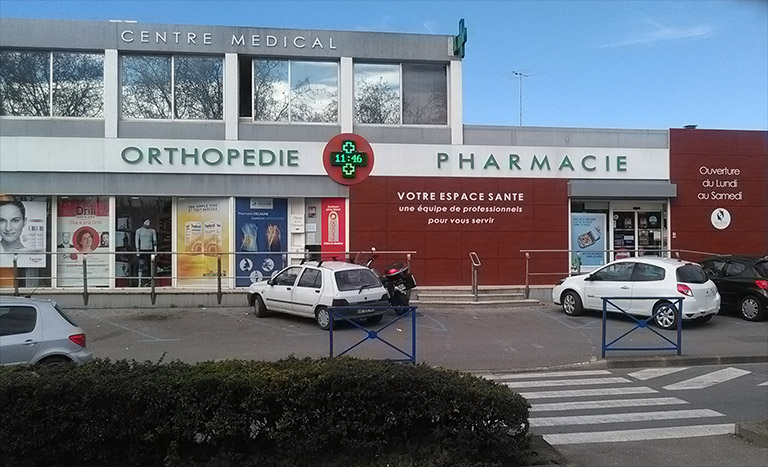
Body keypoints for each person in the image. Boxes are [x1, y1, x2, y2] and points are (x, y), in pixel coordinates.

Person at [135, 219, 157, 286]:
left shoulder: (152, 231)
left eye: (149, 221)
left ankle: (151, 281)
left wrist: (155, 250)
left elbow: (155, 241)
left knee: (151, 265)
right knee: (141, 265)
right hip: (142, 250)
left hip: (150, 249)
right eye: (147, 221)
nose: (148, 223)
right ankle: (139, 282)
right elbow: (136, 241)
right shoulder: (139, 231)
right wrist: (137, 250)